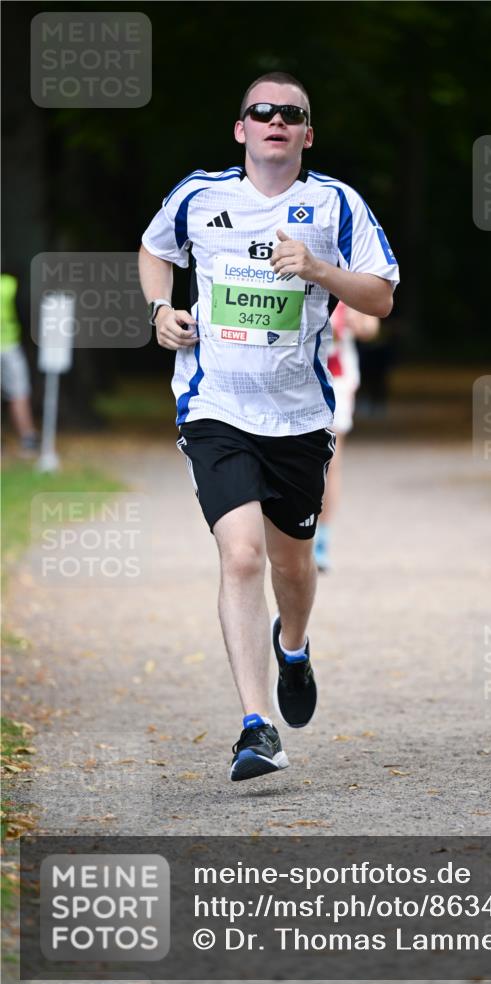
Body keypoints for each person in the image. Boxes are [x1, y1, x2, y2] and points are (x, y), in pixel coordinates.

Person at [138, 71, 399, 782]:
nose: (275, 120)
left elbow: (380, 292)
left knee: (291, 564)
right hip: (214, 405)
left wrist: (317, 268)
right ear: (241, 128)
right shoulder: (199, 195)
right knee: (243, 556)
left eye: (291, 114)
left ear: (306, 133)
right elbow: (155, 249)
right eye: (262, 111)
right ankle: (256, 728)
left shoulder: (335, 203)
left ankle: (294, 646)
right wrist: (160, 311)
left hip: (299, 417)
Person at [314, 302, 379, 571]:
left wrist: (358, 323)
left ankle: (321, 540)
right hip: (290, 375)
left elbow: (371, 325)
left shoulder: (347, 268)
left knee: (330, 460)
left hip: (336, 377)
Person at [1, 273, 39, 457]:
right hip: (10, 346)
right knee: (19, 393)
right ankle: (28, 438)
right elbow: (25, 315)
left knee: (19, 393)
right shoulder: (10, 284)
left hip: (10, 346)